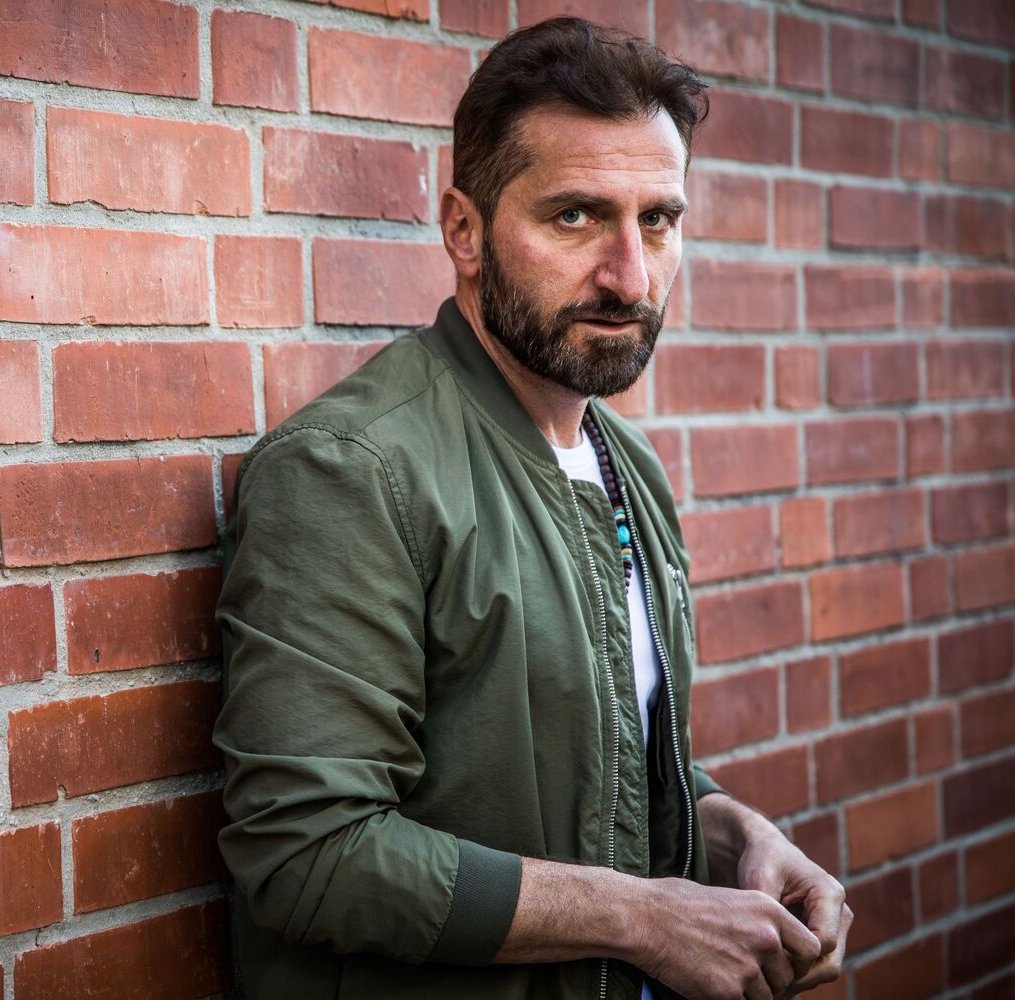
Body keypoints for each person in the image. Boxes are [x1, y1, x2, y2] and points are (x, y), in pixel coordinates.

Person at [212, 16, 852, 1000]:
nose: (629, 275)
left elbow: (596, 757)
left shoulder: (627, 463)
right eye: (576, 216)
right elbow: (308, 853)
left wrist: (736, 835)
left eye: (658, 220)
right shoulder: (354, 470)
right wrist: (643, 917)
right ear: (463, 231)